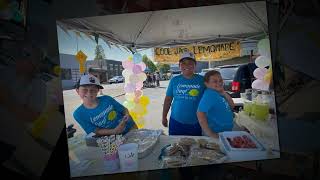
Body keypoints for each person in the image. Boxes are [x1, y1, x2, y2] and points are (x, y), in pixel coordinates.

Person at [162, 51, 205, 136]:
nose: (187, 66)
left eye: (190, 63)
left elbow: (211, 98)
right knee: (175, 147)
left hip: (196, 123)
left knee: (194, 148)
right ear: (179, 66)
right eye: (183, 63)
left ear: (195, 65)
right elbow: (168, 100)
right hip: (176, 122)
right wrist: (164, 117)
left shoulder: (202, 80)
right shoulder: (174, 80)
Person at [197, 70, 235, 138]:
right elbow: (200, 114)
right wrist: (210, 134)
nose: (219, 83)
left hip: (225, 132)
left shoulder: (218, 93)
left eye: (220, 80)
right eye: (215, 81)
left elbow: (232, 106)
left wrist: (224, 93)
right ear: (207, 84)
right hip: (217, 133)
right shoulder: (210, 95)